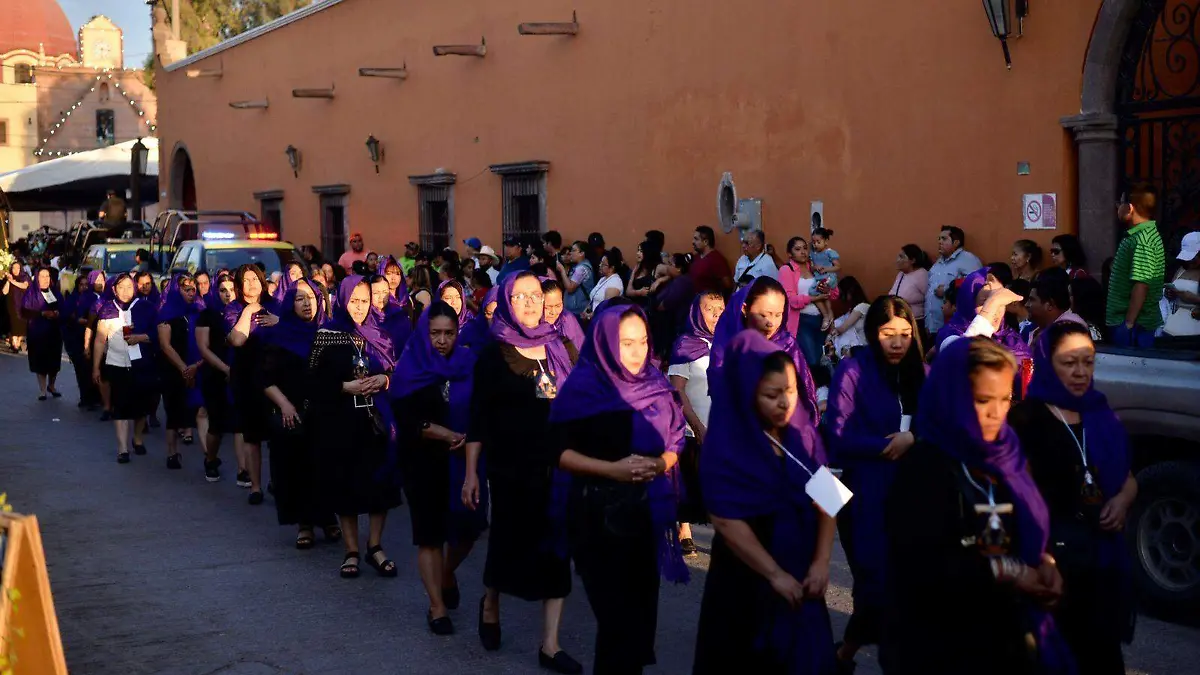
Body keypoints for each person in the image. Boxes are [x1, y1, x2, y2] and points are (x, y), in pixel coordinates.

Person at [883, 337, 1074, 675]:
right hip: (943, 644)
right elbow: (923, 567)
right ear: (953, 397)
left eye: (1006, 399)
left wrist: (1044, 561)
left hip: (1006, 638)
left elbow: (1026, 524)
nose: (997, 413)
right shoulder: (925, 467)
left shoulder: (1009, 456)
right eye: (982, 400)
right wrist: (1012, 573)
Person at [550, 305, 689, 675]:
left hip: (644, 517)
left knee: (639, 628)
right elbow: (559, 453)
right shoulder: (583, 387)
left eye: (642, 342)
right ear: (606, 342)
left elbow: (675, 441)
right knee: (617, 627)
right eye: (626, 343)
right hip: (596, 517)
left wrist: (661, 464)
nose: (637, 351)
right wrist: (612, 470)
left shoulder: (656, 384)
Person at [694, 330, 837, 674]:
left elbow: (829, 498)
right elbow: (726, 520)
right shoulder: (727, 444)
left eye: (789, 391)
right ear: (747, 392)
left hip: (800, 570)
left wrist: (821, 562)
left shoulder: (802, 433)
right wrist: (774, 575)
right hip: (746, 577)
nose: (785, 404)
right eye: (771, 395)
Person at [462, 272, 580, 671]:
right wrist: (472, 473)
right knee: (508, 541)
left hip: (557, 466)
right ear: (507, 301)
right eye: (521, 297)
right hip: (509, 468)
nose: (531, 303)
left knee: (556, 547)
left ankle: (550, 644)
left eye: (536, 296)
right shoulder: (492, 356)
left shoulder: (560, 347)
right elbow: (477, 420)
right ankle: (491, 601)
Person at [1008, 322, 1137, 674]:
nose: (1081, 372)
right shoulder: (1026, 419)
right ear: (1048, 362)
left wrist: (1123, 500)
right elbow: (1017, 496)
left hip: (1101, 561)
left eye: (1088, 361)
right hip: (1053, 562)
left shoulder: (1100, 413)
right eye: (1069, 362)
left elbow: (1128, 479)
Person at [825, 296, 926, 671]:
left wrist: (913, 438)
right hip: (864, 495)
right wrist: (886, 445)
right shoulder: (852, 371)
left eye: (904, 333)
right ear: (872, 333)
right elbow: (837, 436)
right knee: (875, 584)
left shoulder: (921, 372)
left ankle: (846, 656)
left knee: (907, 587)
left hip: (914, 496)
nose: (897, 342)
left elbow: (938, 426)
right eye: (888, 334)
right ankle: (845, 655)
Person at [389, 302, 486, 634]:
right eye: (435, 333)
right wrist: (444, 434)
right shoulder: (410, 366)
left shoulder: (468, 363)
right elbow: (406, 418)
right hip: (423, 460)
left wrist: (466, 438)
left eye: (449, 333)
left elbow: (480, 410)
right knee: (430, 535)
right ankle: (436, 606)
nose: (442, 340)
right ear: (423, 333)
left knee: (470, 528)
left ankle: (447, 572)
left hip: (464, 460)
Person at [308, 276, 400, 579]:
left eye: (364, 301)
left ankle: (375, 546)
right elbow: (313, 383)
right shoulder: (327, 334)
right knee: (345, 484)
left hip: (376, 419)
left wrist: (384, 380)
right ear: (342, 300)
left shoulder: (380, 333)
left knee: (380, 484)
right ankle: (351, 550)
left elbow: (397, 372)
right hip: (341, 420)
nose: (359, 307)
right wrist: (343, 386)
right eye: (354, 301)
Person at [260, 278, 339, 549]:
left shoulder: (328, 333)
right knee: (297, 468)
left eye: (312, 297)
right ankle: (304, 523)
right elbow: (265, 379)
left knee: (326, 467)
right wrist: (285, 404)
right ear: (289, 302)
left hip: (325, 412)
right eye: (300, 298)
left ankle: (328, 519)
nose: (307, 303)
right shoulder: (280, 335)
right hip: (293, 413)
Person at [667, 292, 725, 555]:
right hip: (693, 427)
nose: (716, 314)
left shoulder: (728, 343)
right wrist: (697, 425)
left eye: (720, 308)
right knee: (689, 478)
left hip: (722, 426)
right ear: (696, 313)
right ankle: (685, 529)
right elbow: (677, 391)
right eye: (710, 309)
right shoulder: (685, 345)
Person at [224, 264, 280, 504]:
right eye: (246, 280)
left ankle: (278, 482)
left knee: (278, 435)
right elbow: (236, 339)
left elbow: (291, 331)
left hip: (276, 378)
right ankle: (255, 486)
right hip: (247, 378)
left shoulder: (277, 305)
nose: (252, 284)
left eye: (255, 278)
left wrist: (278, 320)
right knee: (252, 435)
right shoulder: (232, 309)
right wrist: (250, 311)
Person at [92, 273, 158, 463]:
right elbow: (99, 340)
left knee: (140, 406)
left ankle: (137, 439)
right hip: (116, 363)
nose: (125, 291)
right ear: (114, 289)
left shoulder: (146, 307)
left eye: (129, 287)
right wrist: (96, 367)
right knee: (120, 405)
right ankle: (122, 448)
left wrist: (141, 337)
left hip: (141, 364)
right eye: (121, 287)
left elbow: (157, 332)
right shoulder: (107, 309)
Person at [1107, 184, 1166, 347]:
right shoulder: (1139, 235)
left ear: (1130, 208)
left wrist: (1129, 323)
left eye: (1120, 203)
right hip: (1130, 324)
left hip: (1134, 327)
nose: (1117, 207)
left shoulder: (1143, 240)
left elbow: (1141, 284)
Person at [156, 274, 204, 470]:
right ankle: (172, 453)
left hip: (196, 367)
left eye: (193, 289)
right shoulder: (166, 313)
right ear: (177, 290)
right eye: (186, 289)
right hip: (174, 369)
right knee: (174, 412)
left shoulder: (198, 311)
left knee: (200, 410)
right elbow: (166, 346)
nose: (191, 293)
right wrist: (183, 368)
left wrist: (197, 365)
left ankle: (209, 455)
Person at [933, 268, 1029, 362]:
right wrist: (991, 304)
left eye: (1000, 302)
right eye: (985, 302)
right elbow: (964, 359)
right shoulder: (949, 334)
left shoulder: (1010, 336)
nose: (994, 310)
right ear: (968, 305)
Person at [197, 272, 235, 483]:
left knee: (240, 426)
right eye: (223, 290)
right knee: (217, 425)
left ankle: (244, 470)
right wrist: (226, 369)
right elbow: (204, 348)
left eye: (231, 290)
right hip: (215, 374)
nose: (228, 295)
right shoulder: (208, 314)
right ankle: (211, 459)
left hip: (239, 372)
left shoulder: (241, 311)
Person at [925, 225, 984, 336]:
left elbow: (977, 284)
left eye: (944, 239)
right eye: (939, 239)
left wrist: (947, 289)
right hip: (933, 326)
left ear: (956, 242)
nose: (939, 242)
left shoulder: (968, 259)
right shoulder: (938, 263)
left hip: (955, 328)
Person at [777, 237, 827, 367]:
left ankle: (820, 387)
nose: (803, 252)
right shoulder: (787, 270)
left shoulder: (813, 268)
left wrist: (827, 288)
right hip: (801, 320)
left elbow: (830, 293)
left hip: (820, 319)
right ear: (789, 254)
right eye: (798, 249)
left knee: (822, 358)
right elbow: (791, 299)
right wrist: (813, 298)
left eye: (805, 248)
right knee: (811, 360)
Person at [20, 267, 64, 400]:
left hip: (54, 331)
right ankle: (43, 390)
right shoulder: (31, 293)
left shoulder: (55, 292)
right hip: (37, 332)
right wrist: (42, 313)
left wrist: (57, 313)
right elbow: (24, 311)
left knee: (54, 361)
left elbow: (63, 307)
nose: (45, 279)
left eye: (47, 276)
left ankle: (52, 385)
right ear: (37, 278)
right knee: (40, 360)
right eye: (42, 276)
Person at [66, 271, 102, 409]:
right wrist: (75, 319)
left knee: (91, 368)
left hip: (91, 338)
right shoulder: (72, 298)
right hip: (75, 338)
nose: (84, 287)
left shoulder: (93, 298)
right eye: (81, 285)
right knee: (81, 370)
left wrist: (87, 321)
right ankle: (85, 397)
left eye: (86, 285)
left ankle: (94, 397)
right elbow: (66, 315)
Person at [1025, 268, 1085, 345]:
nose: (1026, 305)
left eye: (1031, 300)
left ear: (1049, 304)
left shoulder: (1071, 329)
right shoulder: (1039, 330)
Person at [1162, 231, 1200, 337]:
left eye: (1194, 257)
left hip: (1194, 333)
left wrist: (1194, 299)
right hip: (1171, 329)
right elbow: (1173, 286)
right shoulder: (1181, 270)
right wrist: (1170, 293)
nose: (1191, 261)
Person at [889, 244, 930, 338]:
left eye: (901, 257)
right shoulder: (901, 275)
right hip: (898, 322)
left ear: (912, 260)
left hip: (915, 323)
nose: (897, 260)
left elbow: (929, 299)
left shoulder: (921, 275)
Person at [827, 276, 870, 361]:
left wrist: (830, 336)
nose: (841, 298)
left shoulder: (862, 307)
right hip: (857, 349)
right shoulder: (853, 310)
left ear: (850, 292)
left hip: (862, 349)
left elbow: (842, 328)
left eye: (842, 294)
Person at [809, 227, 841, 331]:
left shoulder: (829, 252)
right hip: (818, 278)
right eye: (813, 242)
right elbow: (811, 267)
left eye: (818, 242)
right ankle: (826, 315)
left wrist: (826, 268)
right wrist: (815, 267)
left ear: (826, 241)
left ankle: (829, 317)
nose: (815, 245)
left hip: (828, 277)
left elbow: (838, 267)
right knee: (812, 292)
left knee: (824, 293)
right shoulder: (813, 254)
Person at [542, 278, 585, 349]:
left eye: (558, 306)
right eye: (547, 307)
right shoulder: (532, 326)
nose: (553, 312)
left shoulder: (568, 318)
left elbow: (581, 348)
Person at [690, 225, 733, 296]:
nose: (693, 242)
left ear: (706, 242)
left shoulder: (717, 260)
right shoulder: (696, 257)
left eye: (696, 239)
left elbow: (728, 285)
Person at [558, 241, 595, 317]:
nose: (571, 253)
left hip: (578, 311)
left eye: (574, 250)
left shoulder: (581, 268)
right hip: (574, 310)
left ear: (582, 253)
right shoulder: (577, 266)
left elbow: (570, 288)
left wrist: (562, 271)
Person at [586, 249, 625, 317]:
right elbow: (593, 299)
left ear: (611, 268)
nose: (599, 265)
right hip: (593, 318)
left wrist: (590, 316)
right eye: (600, 262)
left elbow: (606, 308)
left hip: (602, 320)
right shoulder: (602, 279)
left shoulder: (615, 282)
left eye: (603, 264)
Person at [626, 240, 664, 307]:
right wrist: (639, 292)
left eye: (641, 251)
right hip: (636, 307)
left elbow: (672, 275)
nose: (638, 253)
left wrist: (659, 280)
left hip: (650, 309)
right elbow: (628, 292)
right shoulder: (637, 268)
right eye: (638, 250)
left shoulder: (656, 268)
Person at [3, 261, 29, 353]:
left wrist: (13, 282)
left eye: (17, 268)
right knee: (13, 323)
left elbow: (24, 286)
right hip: (12, 305)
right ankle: (15, 344)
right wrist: (8, 281)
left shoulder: (24, 276)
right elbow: (4, 292)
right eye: (13, 268)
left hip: (22, 304)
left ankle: (18, 341)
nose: (15, 270)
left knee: (21, 323)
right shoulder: (9, 278)